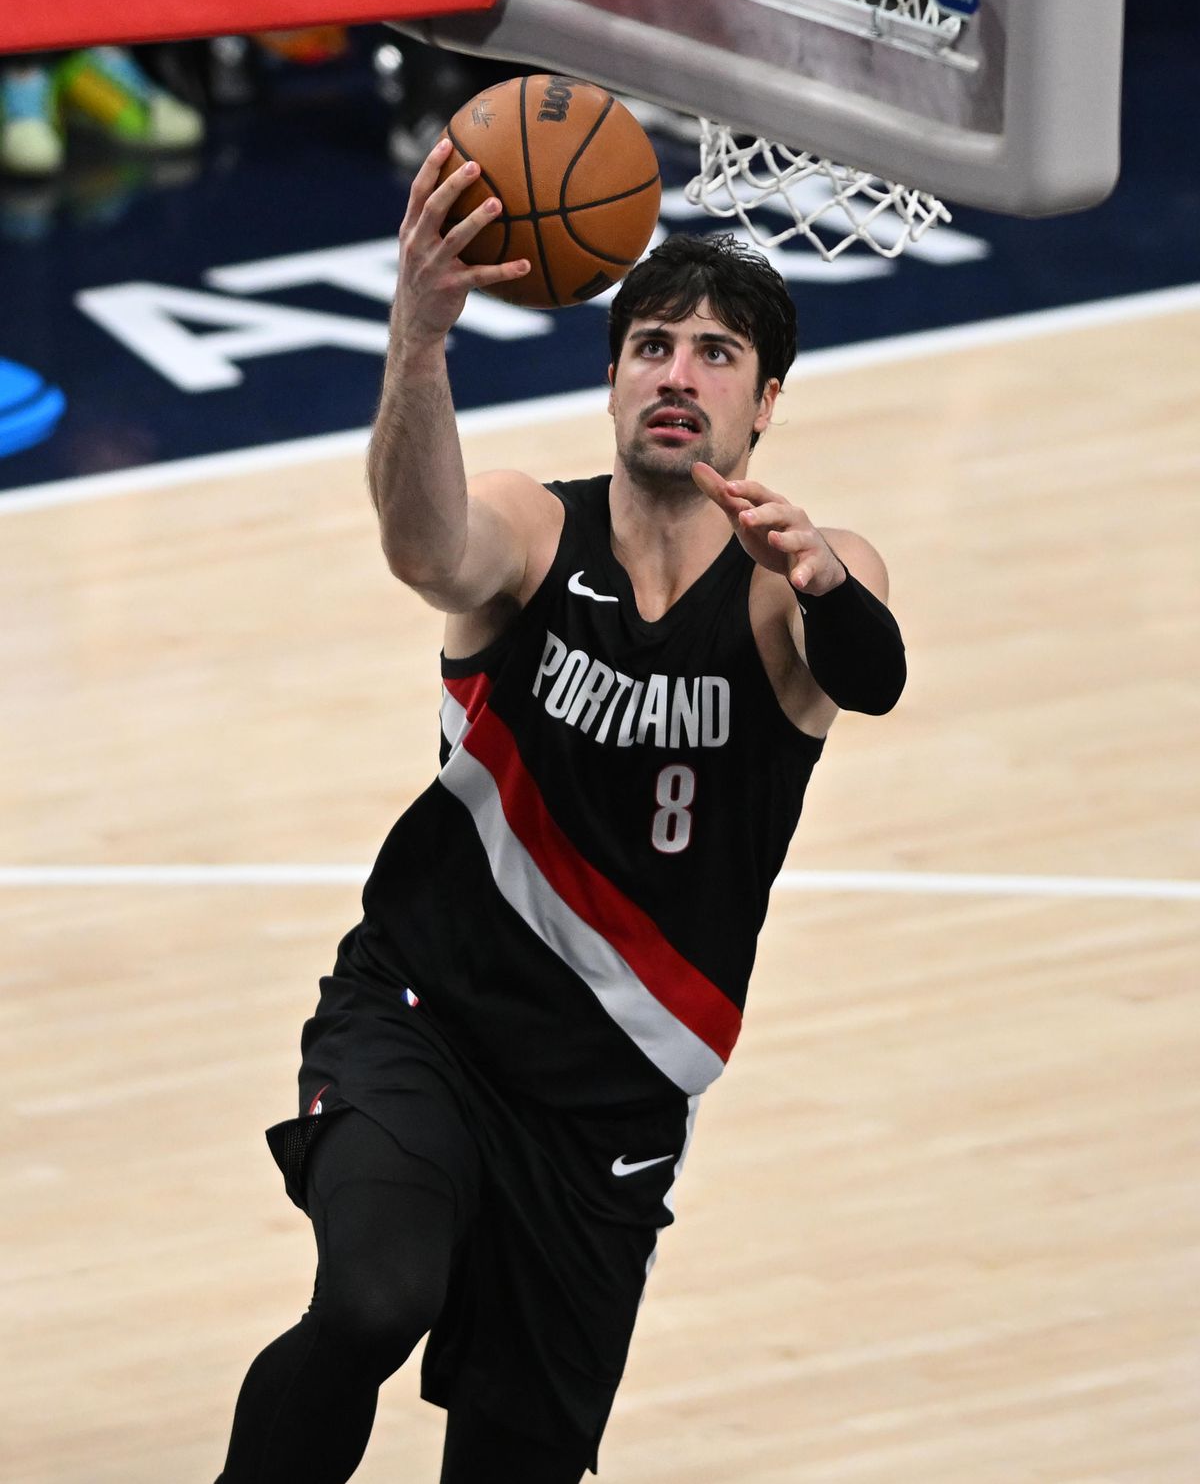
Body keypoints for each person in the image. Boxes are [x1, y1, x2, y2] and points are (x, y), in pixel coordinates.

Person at [214, 143, 907, 1483]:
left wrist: (822, 577)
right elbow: (426, 548)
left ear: (765, 402)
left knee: (516, 1463)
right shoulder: (535, 530)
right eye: (652, 346)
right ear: (612, 381)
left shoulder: (800, 579)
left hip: (612, 1098)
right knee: (371, 1299)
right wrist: (420, 346)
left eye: (715, 355)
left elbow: (869, 676)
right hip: (425, 1018)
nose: (677, 373)